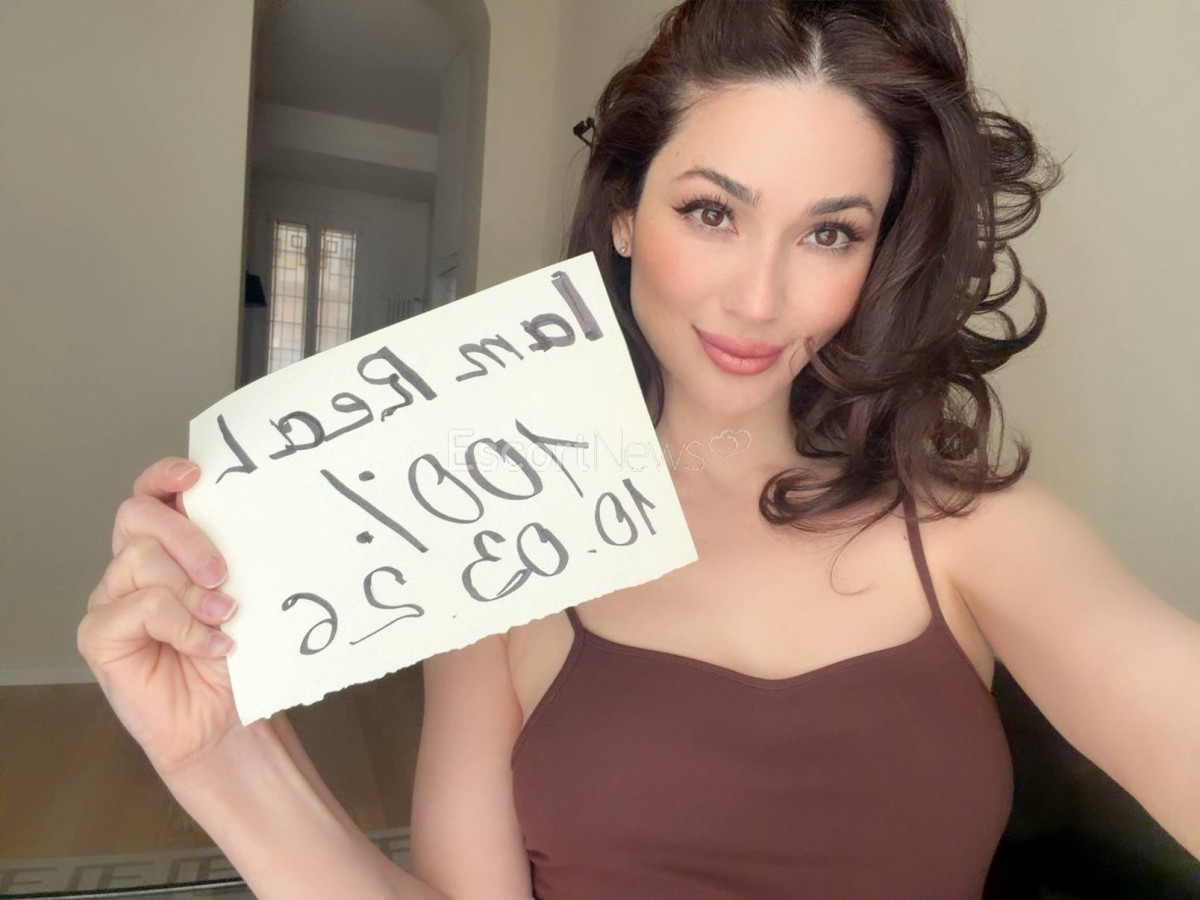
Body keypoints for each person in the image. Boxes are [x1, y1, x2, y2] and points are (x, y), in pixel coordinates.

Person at [77, 1, 1200, 897]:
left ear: (878, 257)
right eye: (713, 212)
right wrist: (216, 756)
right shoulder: (497, 559)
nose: (759, 298)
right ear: (625, 211)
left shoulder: (979, 535)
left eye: (829, 232)